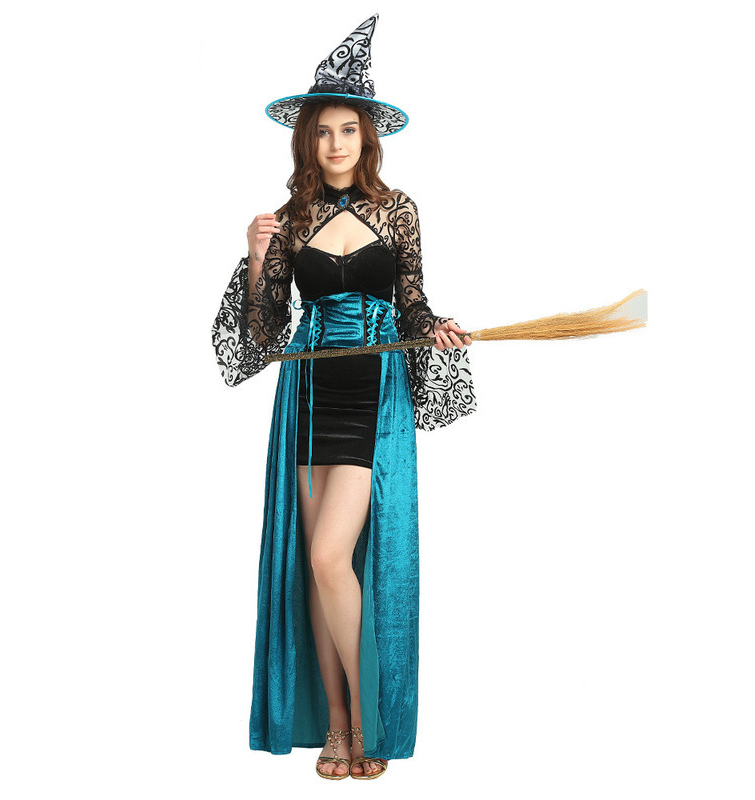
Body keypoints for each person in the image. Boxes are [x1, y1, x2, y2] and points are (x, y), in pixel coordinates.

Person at [211, 15, 477, 780]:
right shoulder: (289, 219)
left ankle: (367, 717)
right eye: (323, 131)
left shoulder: (400, 210)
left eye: (348, 130)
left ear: (368, 137)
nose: (335, 143)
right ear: (308, 141)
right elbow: (263, 332)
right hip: (308, 395)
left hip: (372, 398)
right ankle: (334, 723)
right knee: (316, 565)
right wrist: (257, 258)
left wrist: (434, 329)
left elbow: (412, 302)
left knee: (334, 555)